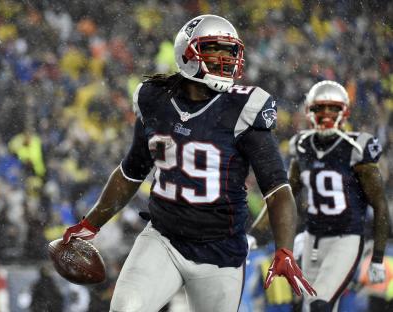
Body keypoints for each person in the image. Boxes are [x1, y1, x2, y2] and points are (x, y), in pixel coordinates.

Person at [63, 14, 315, 312]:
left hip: (220, 252)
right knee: (124, 308)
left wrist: (284, 247)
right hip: (163, 239)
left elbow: (277, 189)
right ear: (187, 53)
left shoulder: (243, 108)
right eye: (214, 50)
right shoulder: (155, 99)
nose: (225, 58)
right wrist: (90, 224)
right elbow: (131, 172)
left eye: (229, 51)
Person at [288, 80, 390, 312]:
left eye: (333, 108)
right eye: (319, 108)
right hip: (312, 239)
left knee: (319, 304)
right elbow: (284, 197)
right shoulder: (302, 146)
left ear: (344, 111)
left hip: (346, 238)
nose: (326, 114)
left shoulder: (357, 147)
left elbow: (380, 205)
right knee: (307, 306)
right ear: (309, 111)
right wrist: (255, 233)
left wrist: (377, 257)